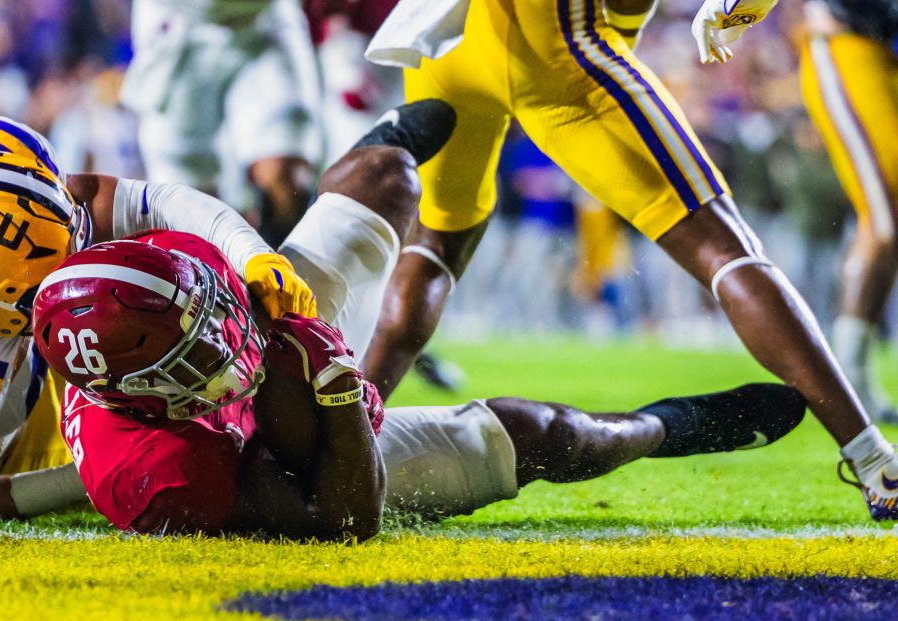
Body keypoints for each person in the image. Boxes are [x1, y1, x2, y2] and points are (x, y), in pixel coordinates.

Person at [32, 115, 806, 539]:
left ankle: (386, 171)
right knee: (538, 434)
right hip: (284, 456)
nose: (223, 340)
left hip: (266, 346)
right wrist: (337, 398)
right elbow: (340, 521)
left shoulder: (156, 270)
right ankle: (666, 428)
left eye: (206, 320)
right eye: (199, 352)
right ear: (142, 394)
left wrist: (250, 264)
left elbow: (174, 212)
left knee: (387, 178)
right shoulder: (160, 472)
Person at [353, 0, 898, 520]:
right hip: (557, 47)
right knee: (725, 250)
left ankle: (345, 436)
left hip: (448, 47)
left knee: (433, 251)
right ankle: (876, 463)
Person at [0, 111, 319, 522]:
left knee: (132, 270)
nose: (81, 235)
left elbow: (134, 201)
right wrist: (85, 478)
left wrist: (251, 254)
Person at [702, 1, 898, 422]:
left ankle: (852, 368)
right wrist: (735, 8)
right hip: (850, 40)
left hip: (877, 41)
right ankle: (851, 371)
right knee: (888, 215)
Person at [120, 0, 323, 246]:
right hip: (179, 24)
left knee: (286, 177)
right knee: (188, 208)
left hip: (265, 19)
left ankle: (288, 275)